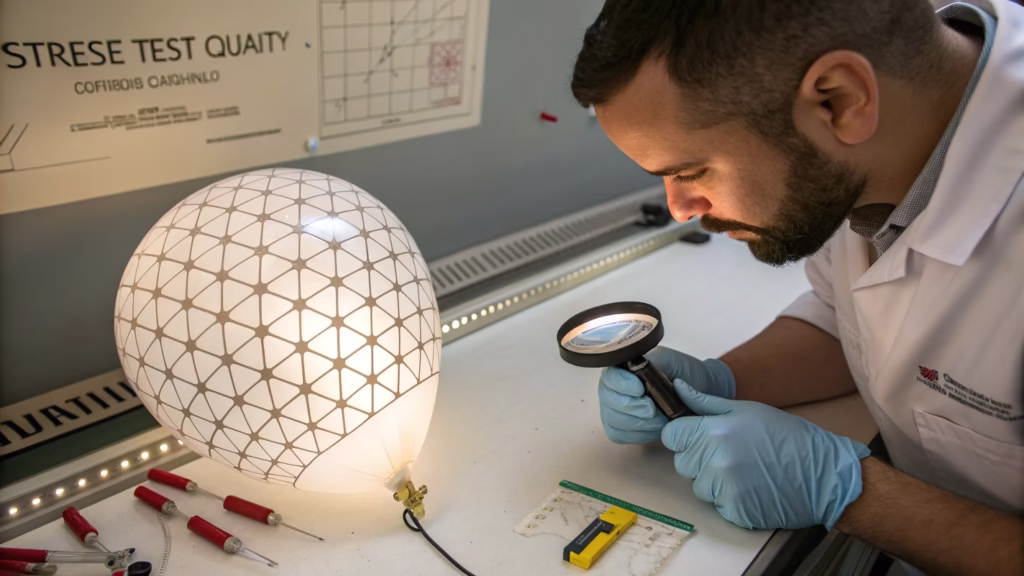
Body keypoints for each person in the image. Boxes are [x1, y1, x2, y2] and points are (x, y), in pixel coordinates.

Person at [571, 1, 1024, 574]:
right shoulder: (871, 150)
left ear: (840, 99)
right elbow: (850, 320)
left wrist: (855, 493)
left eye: (689, 171)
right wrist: (724, 380)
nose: (679, 209)